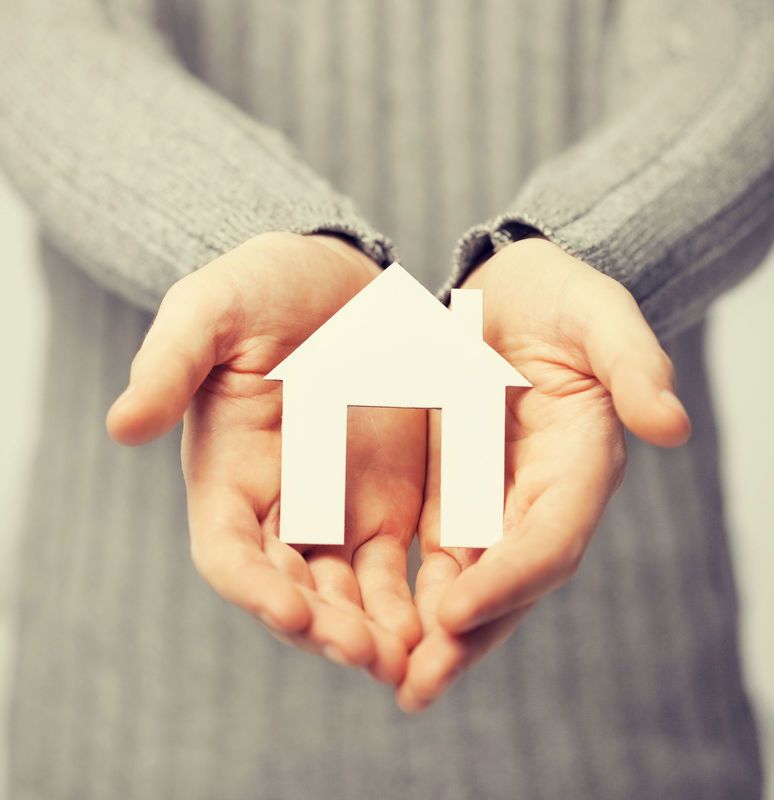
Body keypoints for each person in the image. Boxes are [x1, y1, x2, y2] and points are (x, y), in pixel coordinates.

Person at [1, 1, 771, 798]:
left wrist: (593, 247)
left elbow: (738, 47)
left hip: (624, 711)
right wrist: (241, 234)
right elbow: (41, 34)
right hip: (137, 713)